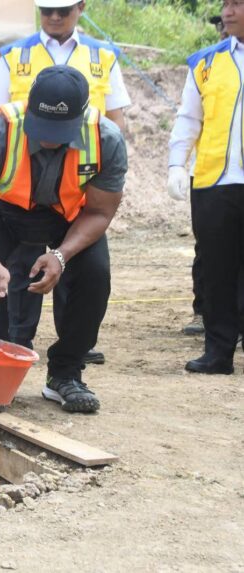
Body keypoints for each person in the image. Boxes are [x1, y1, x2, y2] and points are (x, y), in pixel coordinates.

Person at [0, 66, 128, 413]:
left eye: (58, 131)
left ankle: (66, 373)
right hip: (6, 212)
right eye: (41, 127)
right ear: (29, 107)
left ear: (80, 117)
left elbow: (100, 213)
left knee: (95, 275)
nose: (48, 138)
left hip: (73, 216)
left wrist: (61, 255)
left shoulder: (106, 139)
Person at [0, 0, 130, 365]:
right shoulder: (13, 55)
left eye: (62, 10)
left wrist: (107, 169)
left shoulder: (103, 56)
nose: (54, 17)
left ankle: (73, 348)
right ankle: (15, 341)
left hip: (77, 183)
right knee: (19, 267)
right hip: (22, 183)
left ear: (81, 7)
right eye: (47, 10)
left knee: (78, 266)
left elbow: (116, 120)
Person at [167, 1, 244, 374]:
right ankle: (218, 351)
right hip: (215, 181)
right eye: (225, 4)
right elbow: (188, 118)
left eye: (237, 4)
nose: (227, 12)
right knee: (216, 268)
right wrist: (176, 165)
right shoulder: (205, 62)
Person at [179, 13, 232, 337]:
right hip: (212, 175)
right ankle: (204, 312)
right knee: (209, 250)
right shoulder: (208, 64)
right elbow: (190, 119)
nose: (225, 21)